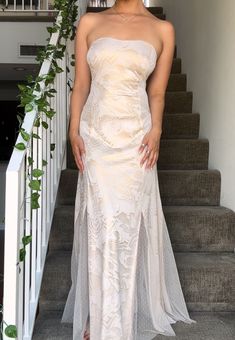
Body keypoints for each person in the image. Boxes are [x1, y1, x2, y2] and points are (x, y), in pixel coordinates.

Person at [61, 0, 197, 339]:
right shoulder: (90, 22)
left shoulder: (162, 29)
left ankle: (119, 318)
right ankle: (99, 316)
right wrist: (73, 129)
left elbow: (157, 92)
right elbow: (81, 85)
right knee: (101, 224)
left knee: (127, 228)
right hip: (97, 136)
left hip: (136, 138)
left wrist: (157, 131)